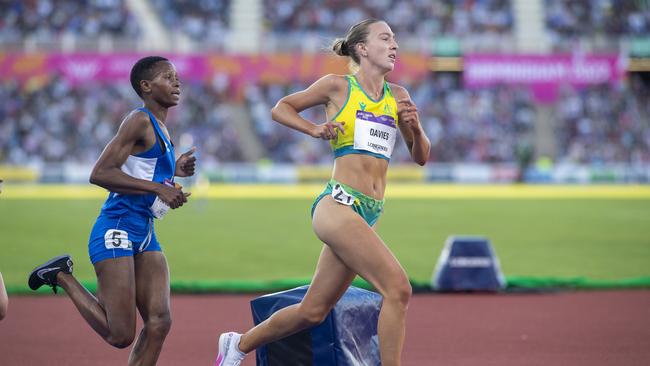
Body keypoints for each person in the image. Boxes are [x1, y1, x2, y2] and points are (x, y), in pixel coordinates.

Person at [215, 19, 430, 366]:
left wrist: (416, 129)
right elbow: (280, 107)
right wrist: (314, 129)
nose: (395, 45)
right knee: (398, 288)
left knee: (313, 311)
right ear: (362, 49)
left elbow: (420, 156)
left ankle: (237, 344)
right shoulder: (337, 87)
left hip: (368, 212)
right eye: (385, 38)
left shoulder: (400, 97)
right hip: (337, 205)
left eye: (395, 39)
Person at [28, 56, 196, 365]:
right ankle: (61, 275)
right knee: (120, 335)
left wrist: (175, 171)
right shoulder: (140, 120)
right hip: (116, 227)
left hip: (144, 231)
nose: (177, 82)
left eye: (177, 77)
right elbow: (101, 173)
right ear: (146, 86)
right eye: (168, 77)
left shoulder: (161, 127)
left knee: (160, 323)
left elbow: (146, 172)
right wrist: (159, 188)